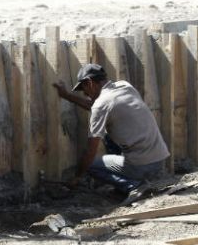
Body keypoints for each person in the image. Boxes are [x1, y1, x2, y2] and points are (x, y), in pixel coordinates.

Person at [53, 63, 169, 205]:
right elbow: (97, 106)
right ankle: (130, 183)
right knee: (110, 133)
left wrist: (76, 177)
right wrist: (67, 96)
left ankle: (133, 186)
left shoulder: (101, 106)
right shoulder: (125, 86)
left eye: (84, 89)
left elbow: (90, 152)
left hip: (142, 166)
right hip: (159, 160)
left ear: (89, 83)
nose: (84, 94)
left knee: (90, 165)